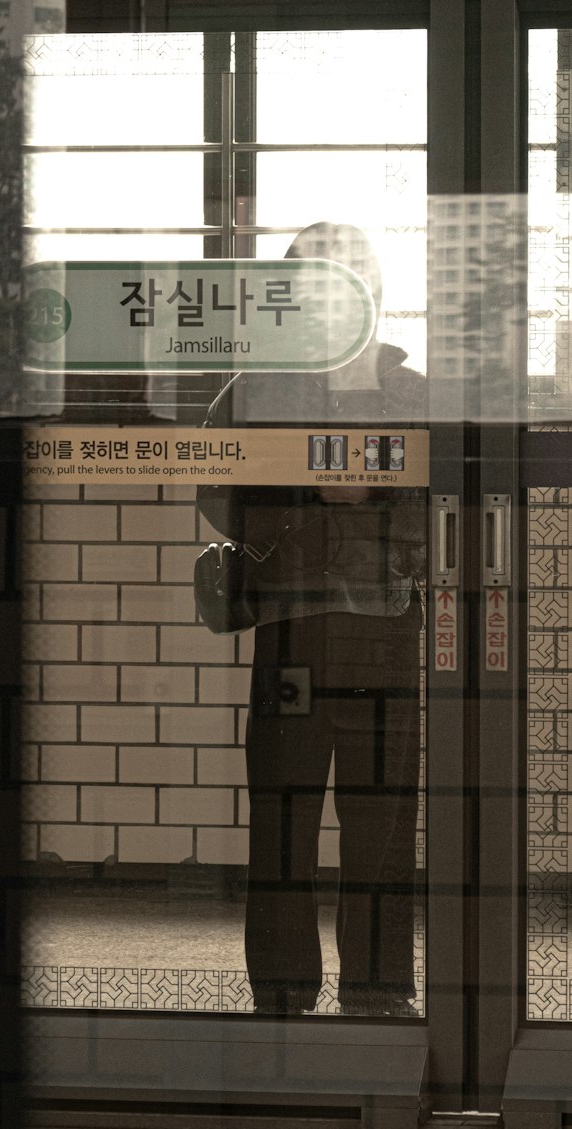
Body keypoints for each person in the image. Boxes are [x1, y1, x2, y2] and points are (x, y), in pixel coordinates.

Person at [197, 223, 426, 1017]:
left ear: (377, 293)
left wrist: (379, 498)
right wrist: (303, 499)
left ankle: (378, 988)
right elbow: (212, 492)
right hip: (290, 635)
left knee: (385, 828)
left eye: (351, 277)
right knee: (282, 822)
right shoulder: (258, 387)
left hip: (386, 634)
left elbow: (453, 513)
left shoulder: (409, 389)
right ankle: (284, 988)